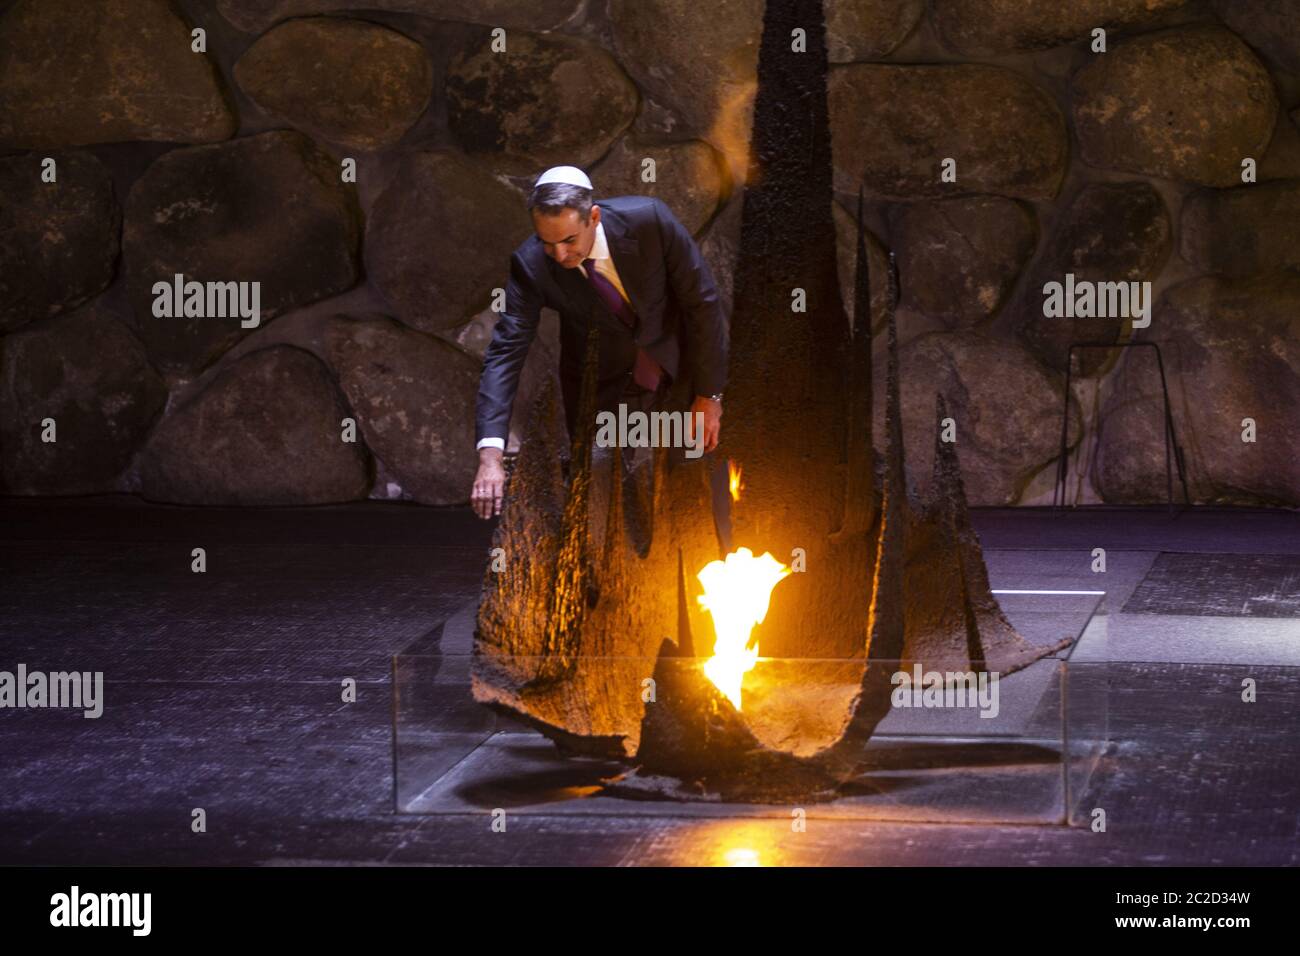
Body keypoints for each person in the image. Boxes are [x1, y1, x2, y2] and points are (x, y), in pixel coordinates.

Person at [470, 165, 729, 519]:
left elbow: (703, 304)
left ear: (593, 217)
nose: (559, 255)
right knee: (598, 506)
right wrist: (490, 455)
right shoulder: (530, 266)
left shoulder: (650, 221)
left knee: (697, 486)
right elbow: (505, 354)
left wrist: (709, 396)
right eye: (548, 243)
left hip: (676, 368)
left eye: (568, 241)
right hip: (600, 387)